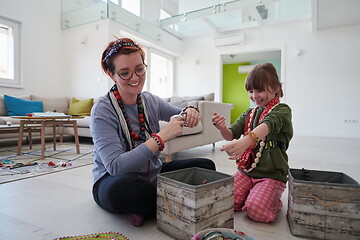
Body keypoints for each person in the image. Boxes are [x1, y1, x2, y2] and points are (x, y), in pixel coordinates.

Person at [90, 37, 215, 227]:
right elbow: (115, 166)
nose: (135, 78)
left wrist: (191, 110)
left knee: (205, 165)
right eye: (125, 73)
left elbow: (180, 111)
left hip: (153, 175)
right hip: (114, 180)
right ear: (111, 74)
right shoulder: (102, 110)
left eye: (139, 69)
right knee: (124, 190)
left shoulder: (150, 100)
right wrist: (161, 137)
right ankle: (164, 203)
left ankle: (147, 207)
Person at [212, 63, 293, 223]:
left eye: (260, 90)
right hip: (246, 171)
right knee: (224, 201)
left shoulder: (282, 110)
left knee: (256, 210)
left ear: (276, 87)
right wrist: (222, 128)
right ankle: (253, 193)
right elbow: (230, 135)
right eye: (251, 91)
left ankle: (272, 200)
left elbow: (269, 124)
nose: (254, 96)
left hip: (271, 176)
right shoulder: (249, 113)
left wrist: (247, 140)